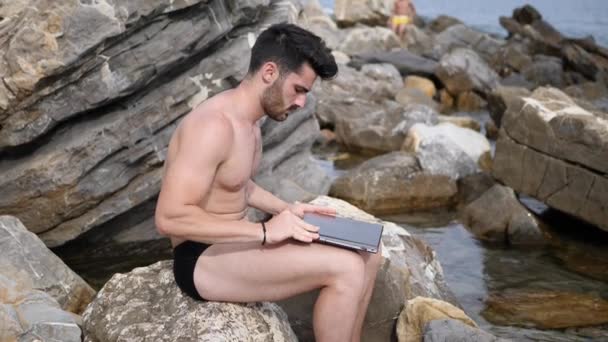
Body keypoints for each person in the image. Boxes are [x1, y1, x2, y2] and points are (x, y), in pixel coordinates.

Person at [155, 23, 383, 342]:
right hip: (201, 259)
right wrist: (264, 231)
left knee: (370, 252)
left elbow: (237, 184)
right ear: (270, 72)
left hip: (235, 244)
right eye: (299, 90)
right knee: (345, 269)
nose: (302, 103)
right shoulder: (212, 127)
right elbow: (169, 218)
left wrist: (287, 209)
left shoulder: (249, 122)